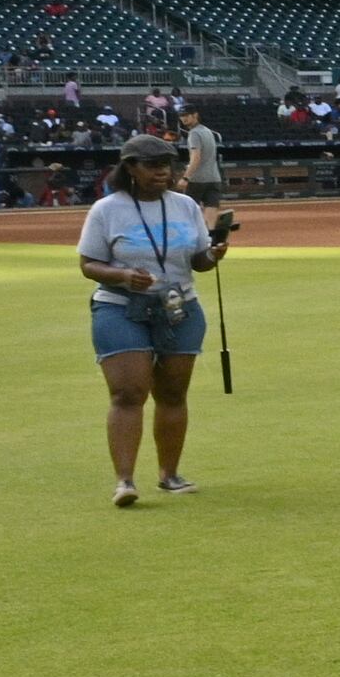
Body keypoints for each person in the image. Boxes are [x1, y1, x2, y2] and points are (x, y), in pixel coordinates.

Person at [79, 131, 230, 506]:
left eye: (167, 164)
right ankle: (125, 481)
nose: (162, 171)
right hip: (120, 307)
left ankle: (170, 475)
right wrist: (123, 275)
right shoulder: (107, 209)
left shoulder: (184, 205)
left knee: (173, 394)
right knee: (128, 393)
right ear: (130, 167)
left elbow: (197, 260)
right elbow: (88, 264)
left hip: (179, 306)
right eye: (152, 165)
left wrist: (214, 256)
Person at [175, 108, 226, 211]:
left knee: (189, 213)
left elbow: (196, 158)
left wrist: (185, 178)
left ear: (195, 115)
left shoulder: (194, 134)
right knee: (211, 211)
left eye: (186, 115)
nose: (183, 118)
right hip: (214, 179)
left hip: (197, 180)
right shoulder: (208, 131)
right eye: (181, 116)